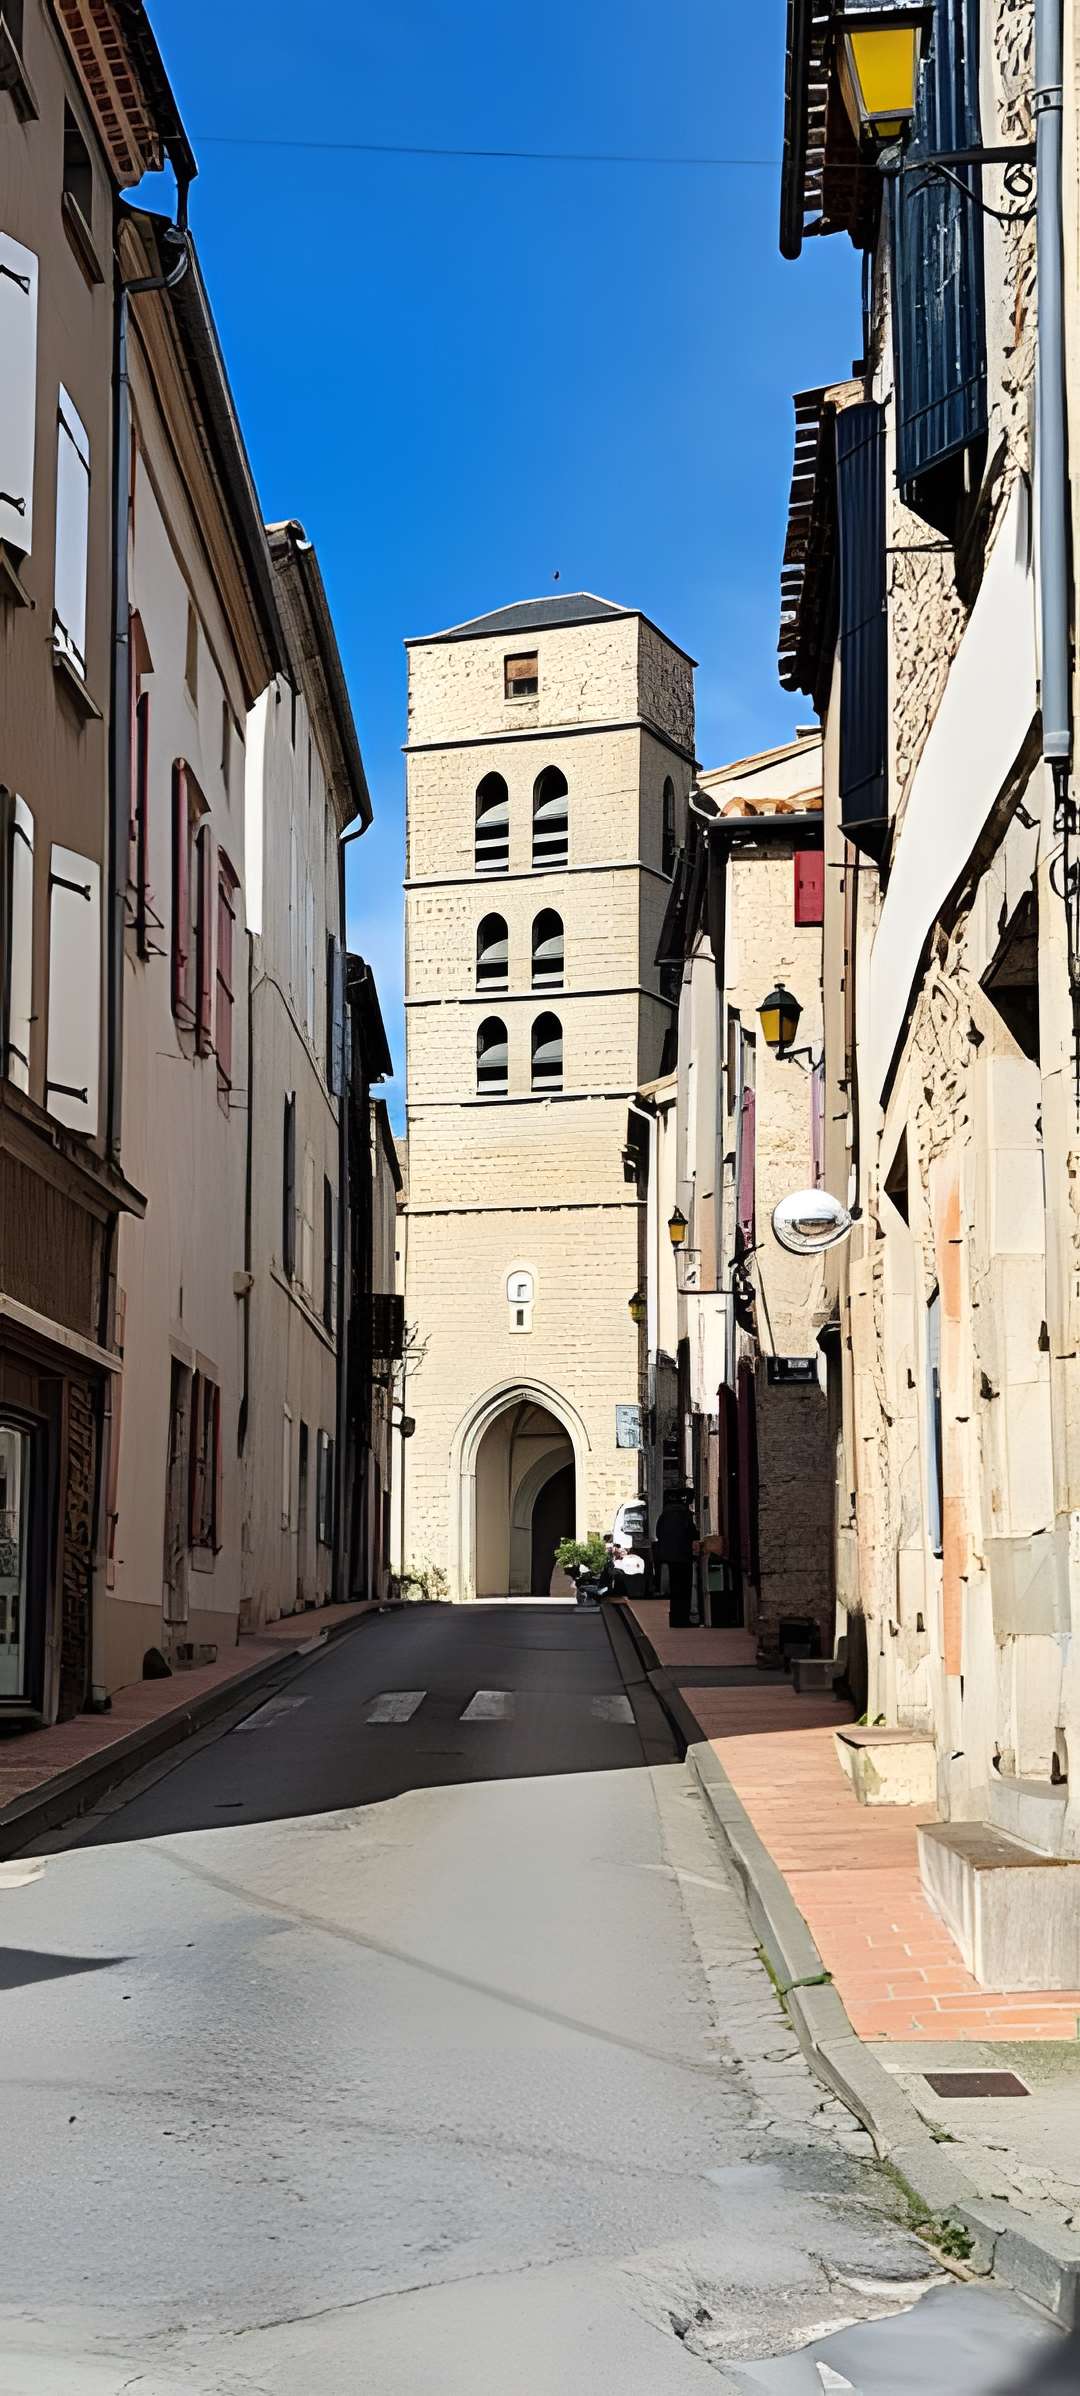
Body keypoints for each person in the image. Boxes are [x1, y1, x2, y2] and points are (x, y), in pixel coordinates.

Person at [653, 1490, 700, 1629]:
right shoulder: (684, 1515)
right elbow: (692, 1533)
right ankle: (683, 1619)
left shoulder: (664, 1515)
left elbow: (658, 1533)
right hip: (683, 1555)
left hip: (669, 1556)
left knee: (674, 1588)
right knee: (684, 1588)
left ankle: (674, 1618)